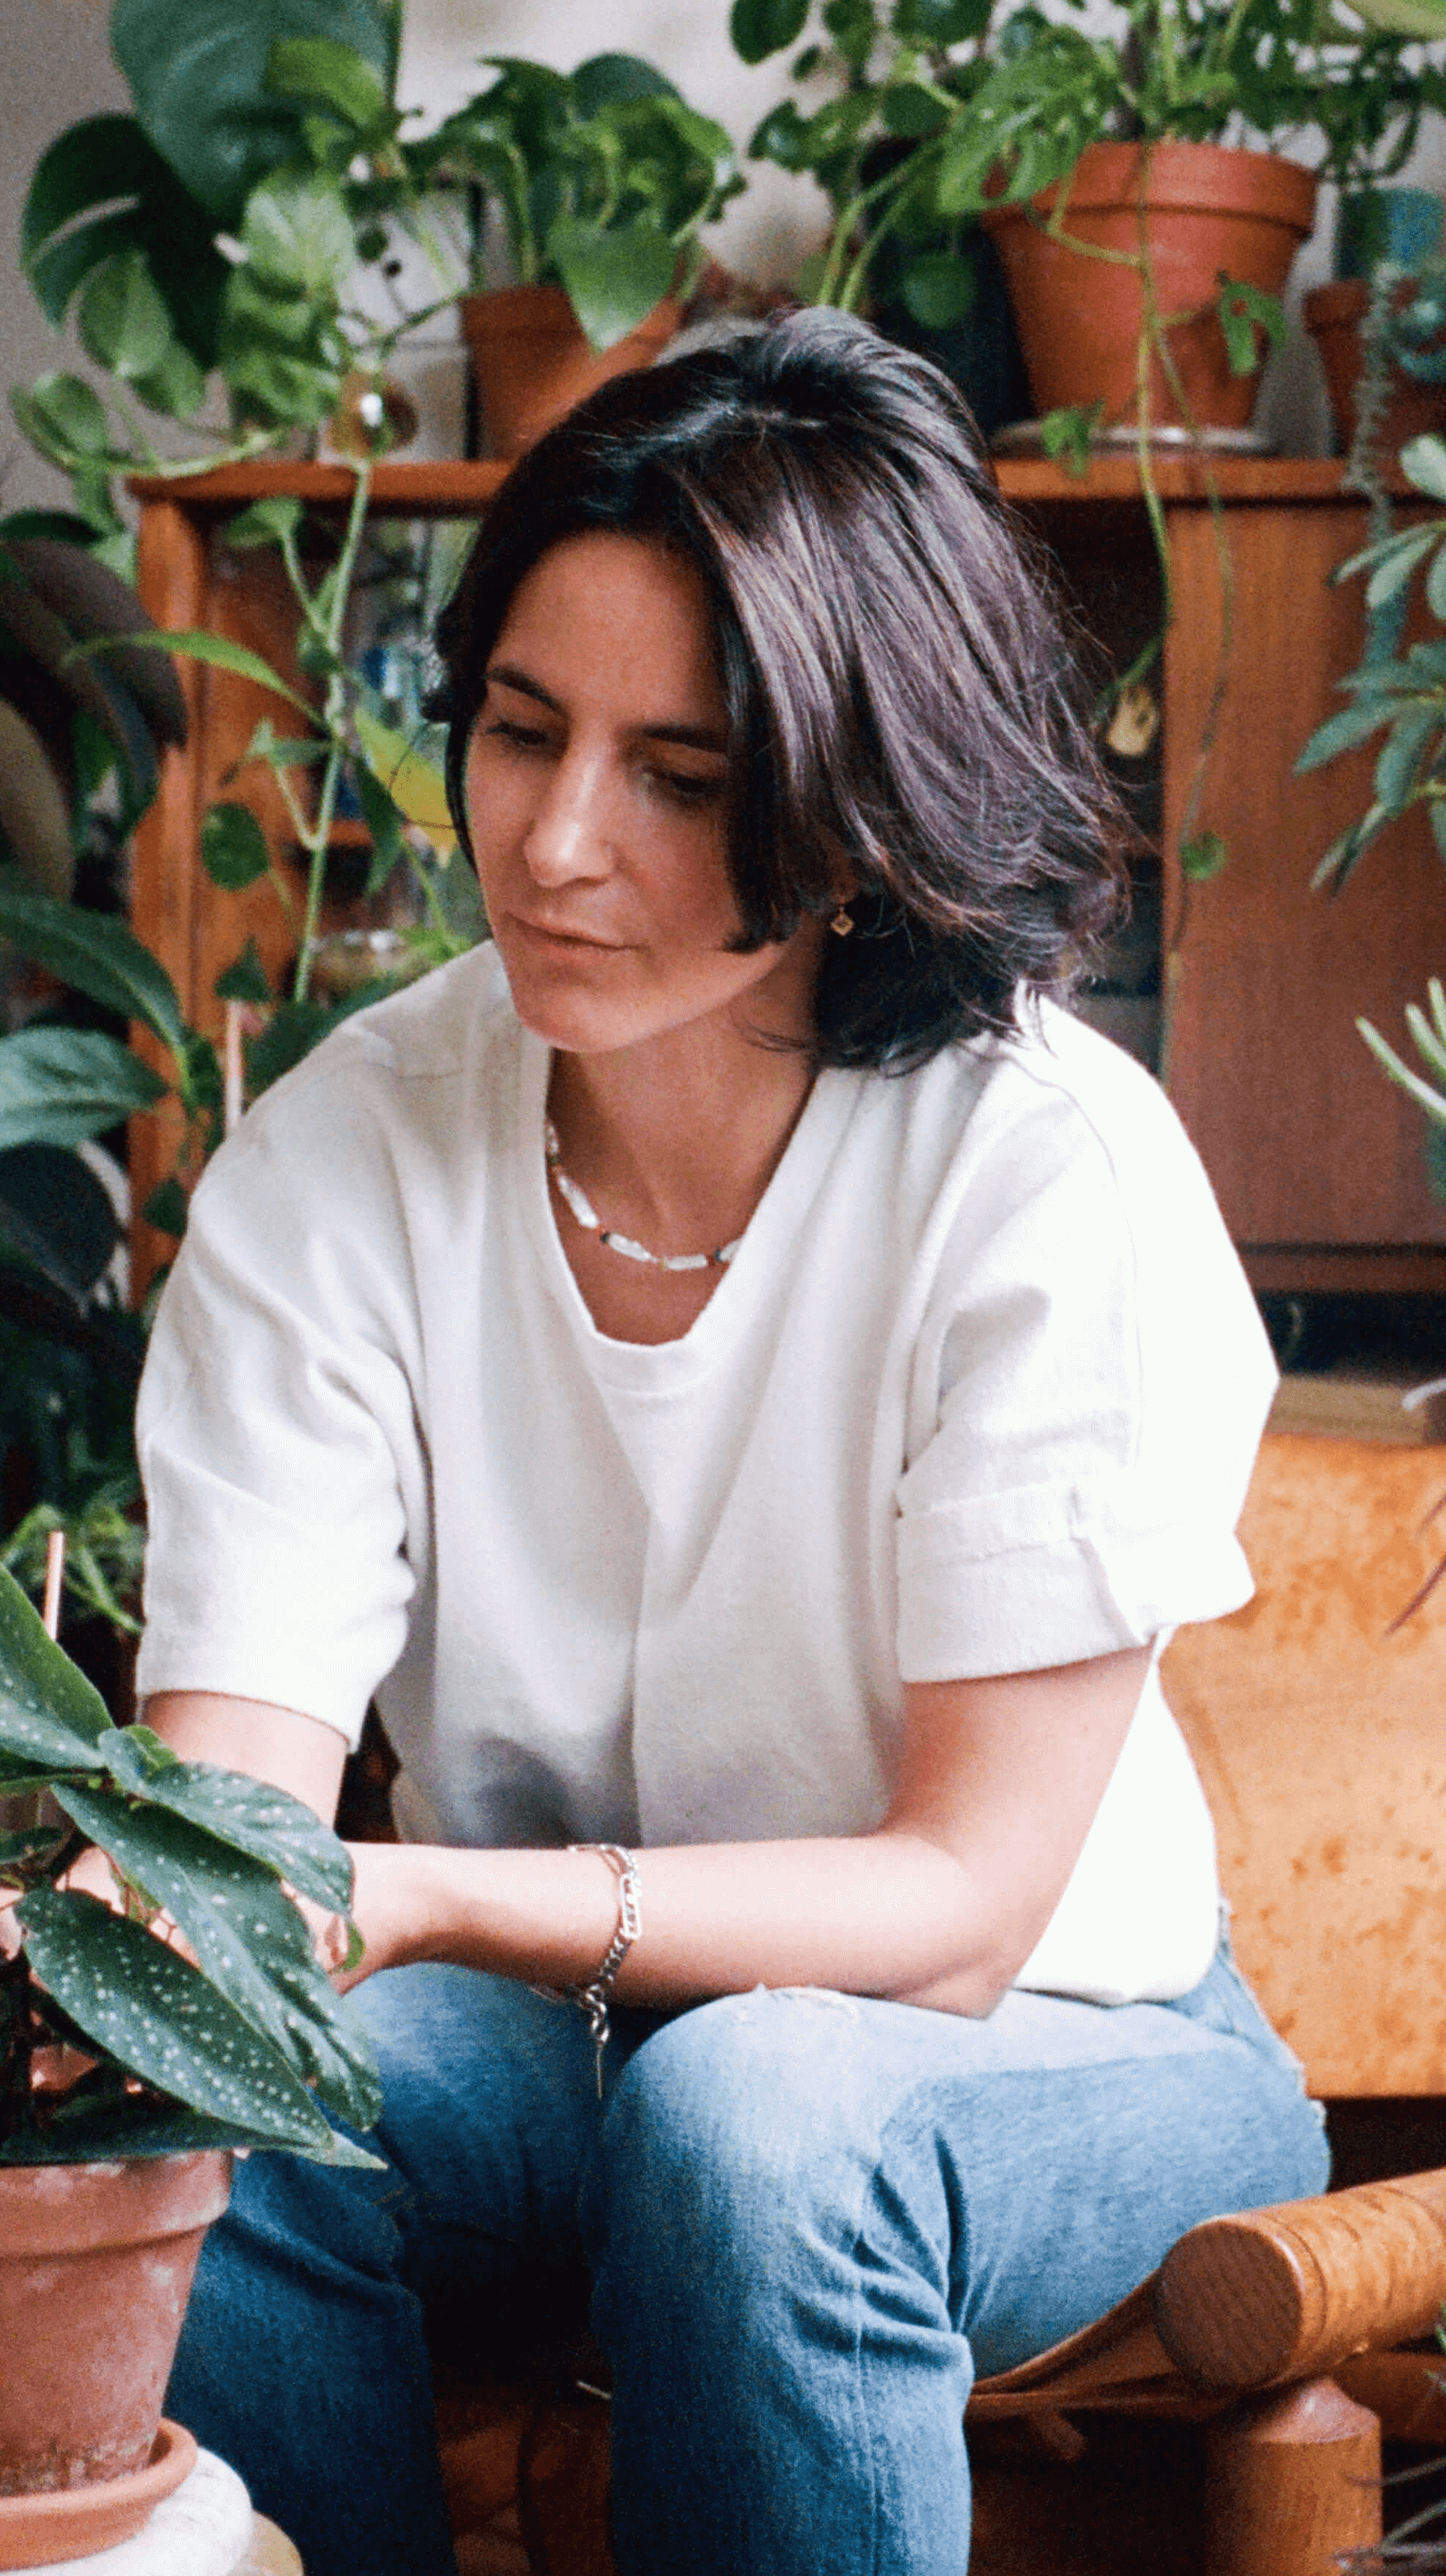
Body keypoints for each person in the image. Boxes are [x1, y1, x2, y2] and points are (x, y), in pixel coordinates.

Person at [129, 311, 1327, 2574]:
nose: (561, 843)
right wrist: (91, 1942)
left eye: (680, 777)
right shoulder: (340, 1161)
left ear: (860, 815)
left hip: (1070, 2053)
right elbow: (236, 1849)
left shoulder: (1042, 1166)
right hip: (576, 2058)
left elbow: (966, 1914)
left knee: (762, 2114)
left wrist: (437, 1896)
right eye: (516, 730)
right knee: (221, 2091)